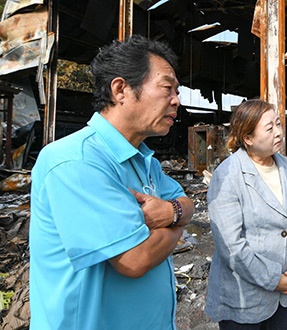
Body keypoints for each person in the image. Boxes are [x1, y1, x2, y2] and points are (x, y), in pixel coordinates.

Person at [29, 35, 195, 329]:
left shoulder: (143, 160)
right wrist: (179, 227)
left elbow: (186, 202)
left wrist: (173, 213)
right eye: (167, 87)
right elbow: (135, 259)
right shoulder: (75, 161)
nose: (176, 100)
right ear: (121, 89)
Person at [205, 99, 287, 330]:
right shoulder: (228, 175)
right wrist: (274, 280)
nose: (278, 133)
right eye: (270, 128)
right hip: (243, 299)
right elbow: (232, 246)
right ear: (248, 138)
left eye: (279, 124)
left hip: (286, 294)